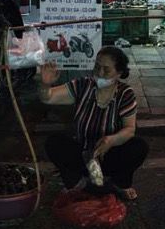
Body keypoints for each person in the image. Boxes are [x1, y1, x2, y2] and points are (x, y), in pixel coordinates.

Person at [40, 46, 148, 201]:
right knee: (54, 142)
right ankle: (81, 182)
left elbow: (129, 129)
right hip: (83, 155)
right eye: (97, 67)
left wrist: (111, 140)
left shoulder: (125, 94)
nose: (100, 73)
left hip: (109, 156)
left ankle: (119, 183)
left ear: (119, 73)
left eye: (106, 70)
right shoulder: (82, 85)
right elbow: (47, 97)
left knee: (138, 146)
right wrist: (45, 84)